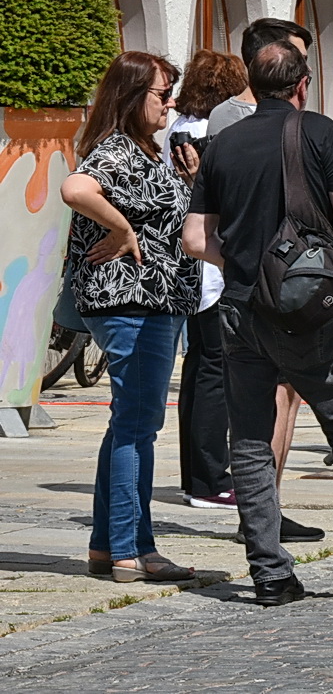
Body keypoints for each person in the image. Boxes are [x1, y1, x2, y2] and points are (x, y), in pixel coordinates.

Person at [183, 41, 333, 606]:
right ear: (302, 84)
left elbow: (193, 239)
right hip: (301, 308)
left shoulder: (223, 142)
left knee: (250, 436)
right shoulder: (317, 132)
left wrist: (245, 265)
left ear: (253, 84)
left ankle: (269, 574)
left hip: (239, 307)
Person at [63, 52, 202, 584]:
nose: (170, 103)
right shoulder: (117, 149)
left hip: (149, 304)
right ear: (131, 96)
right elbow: (76, 189)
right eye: (162, 94)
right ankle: (133, 549)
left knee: (130, 425)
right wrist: (121, 230)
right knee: (139, 428)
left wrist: (191, 183)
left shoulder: (145, 151)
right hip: (134, 305)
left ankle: (107, 545)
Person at [203, 18, 332, 543]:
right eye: (295, 59)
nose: (301, 73)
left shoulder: (294, 125)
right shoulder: (232, 122)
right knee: (266, 406)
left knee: (285, 396)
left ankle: (268, 509)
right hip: (255, 286)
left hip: (276, 280)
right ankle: (259, 515)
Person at [168, 49, 248, 510]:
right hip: (211, 263)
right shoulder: (211, 135)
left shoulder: (177, 129)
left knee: (199, 368)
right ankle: (210, 479)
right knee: (214, 371)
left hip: (188, 262)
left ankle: (196, 475)